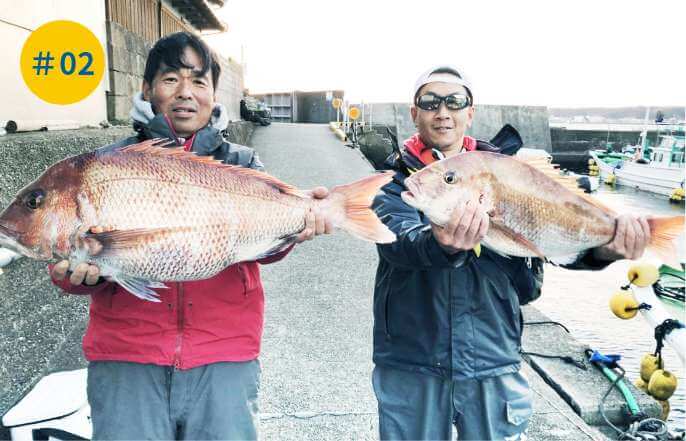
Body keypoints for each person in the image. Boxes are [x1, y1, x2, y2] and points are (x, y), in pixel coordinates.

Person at [50, 32, 331, 440]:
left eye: (199, 82)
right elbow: (67, 268)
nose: (186, 93)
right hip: (128, 357)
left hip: (224, 355)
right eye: (171, 80)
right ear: (147, 89)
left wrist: (294, 229)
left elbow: (261, 252)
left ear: (214, 95)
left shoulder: (242, 163)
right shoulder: (106, 165)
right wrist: (72, 274)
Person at [370, 65, 650, 441]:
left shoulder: (507, 173)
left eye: (455, 102)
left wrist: (605, 249)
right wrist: (440, 243)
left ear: (470, 112)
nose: (443, 112)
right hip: (412, 359)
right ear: (414, 112)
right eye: (430, 102)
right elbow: (399, 242)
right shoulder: (395, 183)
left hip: (492, 354)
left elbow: (550, 238)